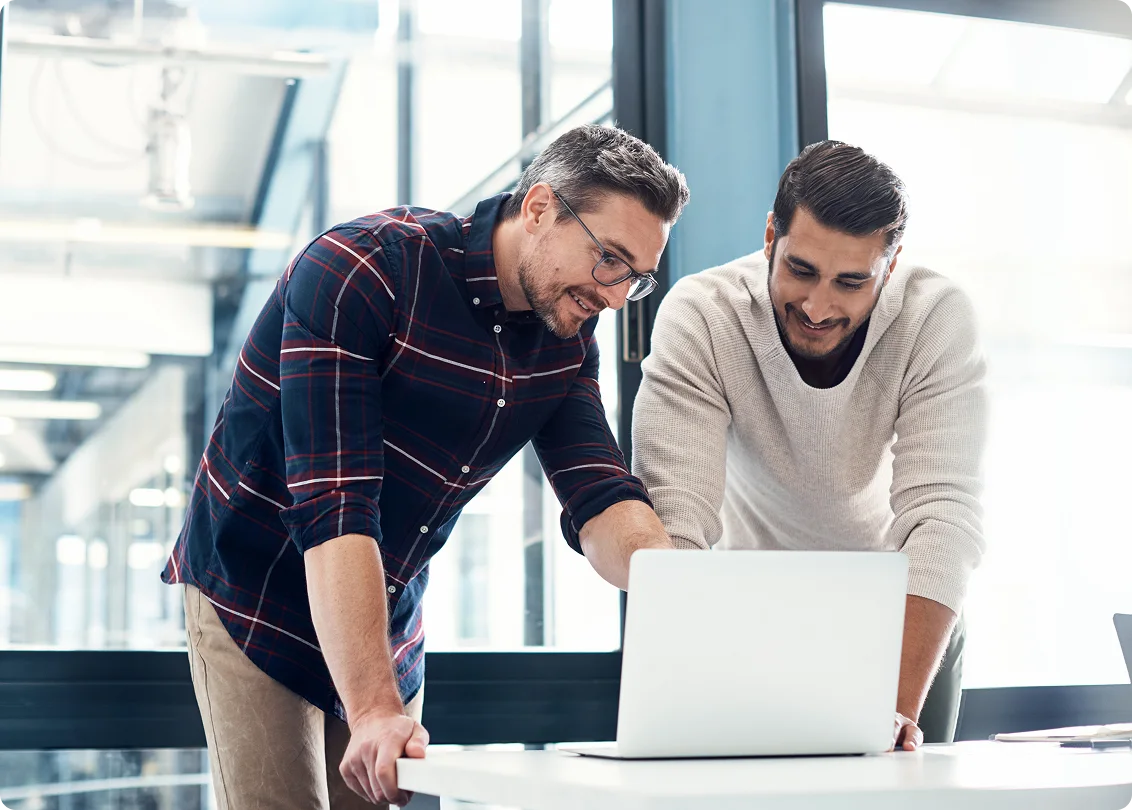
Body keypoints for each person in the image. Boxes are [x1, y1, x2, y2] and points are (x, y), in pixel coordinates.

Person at [162, 124, 688, 809]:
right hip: (258, 587)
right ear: (538, 209)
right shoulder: (363, 271)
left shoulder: (564, 337)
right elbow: (336, 506)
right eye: (609, 260)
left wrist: (680, 587)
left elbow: (600, 497)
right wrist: (375, 709)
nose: (617, 296)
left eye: (636, 278)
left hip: (382, 601)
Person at [631, 140, 986, 750]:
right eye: (801, 270)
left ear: (891, 265)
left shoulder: (936, 316)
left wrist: (893, 716)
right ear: (772, 235)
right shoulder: (704, 314)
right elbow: (677, 528)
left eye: (851, 282)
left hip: (905, 613)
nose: (818, 306)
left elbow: (942, 514)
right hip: (756, 615)